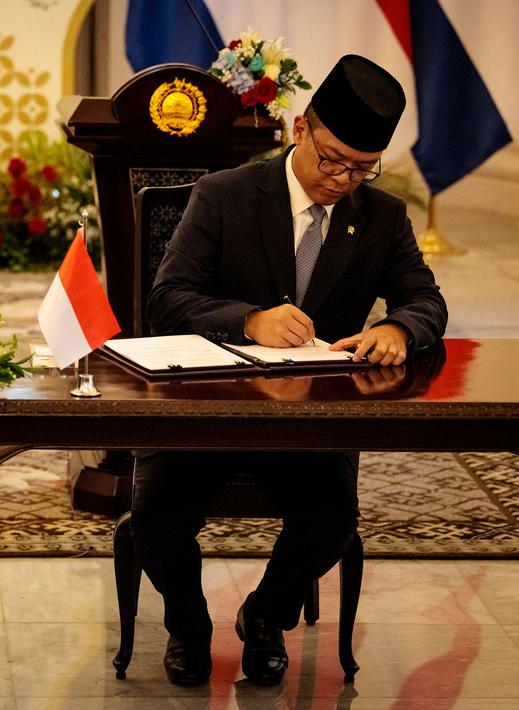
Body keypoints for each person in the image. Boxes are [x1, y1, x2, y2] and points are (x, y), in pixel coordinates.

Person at [135, 55, 448, 687]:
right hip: (212, 408)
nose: (341, 178)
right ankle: (190, 627)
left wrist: (397, 328)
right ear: (301, 128)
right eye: (332, 158)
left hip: (310, 419)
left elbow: (427, 300)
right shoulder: (225, 194)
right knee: (157, 513)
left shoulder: (382, 218)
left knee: (332, 517)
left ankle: (265, 616)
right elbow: (166, 299)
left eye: (361, 168)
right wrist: (248, 319)